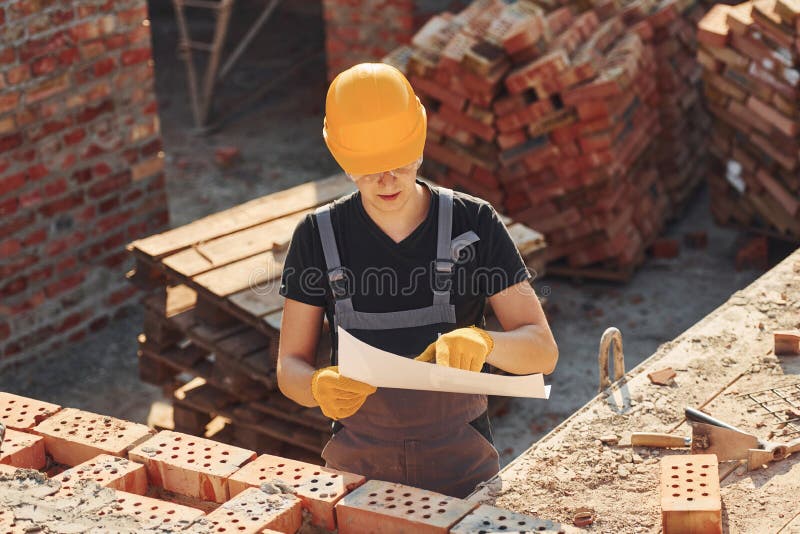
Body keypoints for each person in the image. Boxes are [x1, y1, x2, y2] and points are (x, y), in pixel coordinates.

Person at [277, 62, 558, 498]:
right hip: (358, 476)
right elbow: (288, 367)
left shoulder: (474, 223)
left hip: (463, 473)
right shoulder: (318, 236)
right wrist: (315, 387)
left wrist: (486, 343)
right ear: (342, 158)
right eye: (370, 168)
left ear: (420, 142)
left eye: (399, 163)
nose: (387, 179)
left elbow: (543, 352)